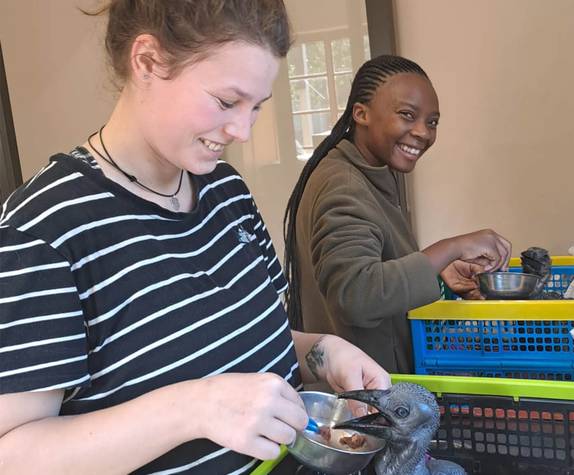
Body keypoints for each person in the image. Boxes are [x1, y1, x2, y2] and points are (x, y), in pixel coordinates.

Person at [0, 1, 389, 474]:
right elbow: (14, 455)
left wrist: (323, 352)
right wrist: (193, 408)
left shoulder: (225, 190)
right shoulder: (44, 230)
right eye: (227, 102)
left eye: (256, 107)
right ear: (146, 61)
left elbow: (249, 342)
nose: (242, 130)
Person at [283, 55, 512, 374]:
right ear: (360, 114)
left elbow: (375, 264)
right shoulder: (344, 184)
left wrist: (438, 269)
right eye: (407, 115)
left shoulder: (372, 171)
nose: (423, 132)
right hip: (362, 398)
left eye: (432, 122)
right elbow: (357, 296)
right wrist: (451, 248)